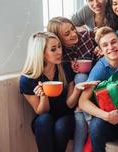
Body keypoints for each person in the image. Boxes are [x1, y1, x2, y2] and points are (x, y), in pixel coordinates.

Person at [78, 26, 118, 152]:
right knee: (96, 124)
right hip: (108, 123)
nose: (111, 47)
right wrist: (107, 116)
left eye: (114, 42)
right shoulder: (99, 69)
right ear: (101, 50)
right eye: (105, 45)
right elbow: (82, 102)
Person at [20, 32, 86, 152]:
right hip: (45, 121)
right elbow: (41, 111)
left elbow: (70, 104)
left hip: (67, 117)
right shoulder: (28, 79)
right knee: (44, 120)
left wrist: (76, 89)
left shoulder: (65, 68)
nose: (59, 52)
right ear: (41, 54)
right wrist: (43, 96)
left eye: (59, 47)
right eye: (53, 49)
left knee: (61, 126)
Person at [47, 17, 96, 152]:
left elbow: (103, 37)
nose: (73, 34)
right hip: (77, 94)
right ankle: (86, 116)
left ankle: (88, 116)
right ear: (58, 39)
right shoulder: (59, 53)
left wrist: (99, 49)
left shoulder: (85, 36)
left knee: (81, 77)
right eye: (67, 34)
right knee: (78, 115)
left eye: (73, 29)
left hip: (94, 83)